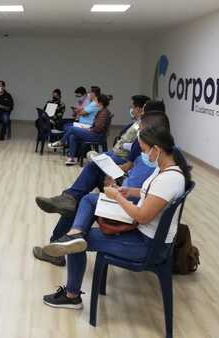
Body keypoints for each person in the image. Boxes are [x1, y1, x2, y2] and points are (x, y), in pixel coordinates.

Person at [40, 125, 190, 309]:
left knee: (75, 244)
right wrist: (128, 191)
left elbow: (142, 217)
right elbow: (152, 194)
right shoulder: (167, 170)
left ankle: (72, 296)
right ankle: (75, 232)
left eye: (144, 150)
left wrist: (118, 197)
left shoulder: (168, 180)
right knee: (88, 200)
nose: (143, 156)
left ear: (157, 149)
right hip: (145, 237)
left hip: (146, 245)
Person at [32, 107, 169, 267]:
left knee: (80, 203)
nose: (138, 135)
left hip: (130, 207)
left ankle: (60, 239)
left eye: (141, 130)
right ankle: (69, 199)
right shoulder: (159, 154)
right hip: (129, 193)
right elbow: (139, 179)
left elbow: (143, 199)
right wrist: (119, 181)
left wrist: (117, 191)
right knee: (89, 178)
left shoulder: (156, 160)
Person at [60, 94, 111, 165]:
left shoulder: (103, 113)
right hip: (95, 133)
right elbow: (97, 126)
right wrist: (88, 128)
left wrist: (89, 130)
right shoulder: (102, 111)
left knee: (72, 129)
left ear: (100, 103)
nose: (95, 102)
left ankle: (61, 142)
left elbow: (98, 128)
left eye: (96, 101)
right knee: (73, 136)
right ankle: (71, 158)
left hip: (96, 136)